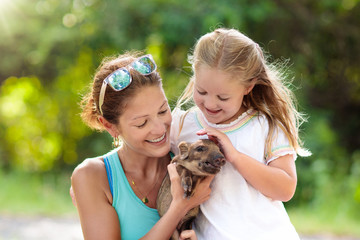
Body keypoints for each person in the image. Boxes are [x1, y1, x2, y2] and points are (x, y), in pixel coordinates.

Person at [170, 28, 311, 240]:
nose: (210, 103)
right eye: (201, 91)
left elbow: (286, 189)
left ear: (248, 87)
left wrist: (234, 156)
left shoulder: (265, 125)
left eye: (223, 97)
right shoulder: (181, 124)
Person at [71, 51, 213, 240]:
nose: (159, 128)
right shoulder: (93, 176)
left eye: (163, 111)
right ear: (109, 126)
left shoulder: (190, 161)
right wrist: (180, 207)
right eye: (141, 123)